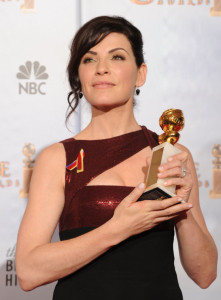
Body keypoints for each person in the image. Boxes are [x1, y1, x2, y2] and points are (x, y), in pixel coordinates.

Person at [16, 16, 217, 300]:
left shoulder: (171, 154)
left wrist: (180, 208)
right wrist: (117, 228)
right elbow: (27, 272)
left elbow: (206, 274)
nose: (102, 69)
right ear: (78, 76)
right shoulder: (58, 158)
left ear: (141, 73)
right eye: (89, 59)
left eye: (117, 57)